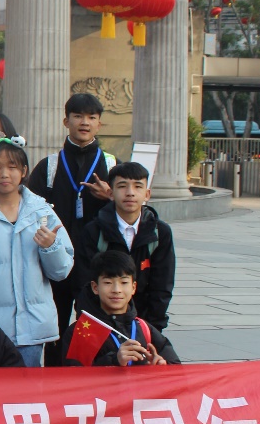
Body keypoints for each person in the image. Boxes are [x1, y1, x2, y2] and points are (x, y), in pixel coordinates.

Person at [0, 138, 73, 367]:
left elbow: (61, 271)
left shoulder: (42, 214)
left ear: (24, 171)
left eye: (12, 167)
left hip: (33, 328)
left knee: (27, 388)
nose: (4, 174)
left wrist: (51, 247)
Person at [28, 93, 117, 352]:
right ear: (66, 121)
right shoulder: (49, 166)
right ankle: (55, 372)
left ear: (99, 124)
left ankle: (88, 372)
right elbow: (29, 211)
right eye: (78, 116)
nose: (84, 122)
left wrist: (110, 197)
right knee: (54, 330)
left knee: (94, 327)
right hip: (56, 258)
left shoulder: (112, 165)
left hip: (96, 259)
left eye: (91, 117)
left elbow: (128, 209)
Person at [73, 162, 176, 331]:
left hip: (145, 323)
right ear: (110, 193)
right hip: (101, 324)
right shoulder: (93, 231)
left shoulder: (160, 232)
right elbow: (84, 283)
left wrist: (151, 329)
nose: (130, 193)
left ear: (147, 194)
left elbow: (162, 286)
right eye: (122, 186)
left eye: (138, 186)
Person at [60, 250, 180, 366]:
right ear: (95, 287)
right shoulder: (80, 332)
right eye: (108, 283)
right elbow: (74, 375)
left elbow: (176, 367)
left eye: (124, 283)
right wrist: (114, 361)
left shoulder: (144, 328)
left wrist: (162, 365)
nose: (117, 290)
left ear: (133, 287)